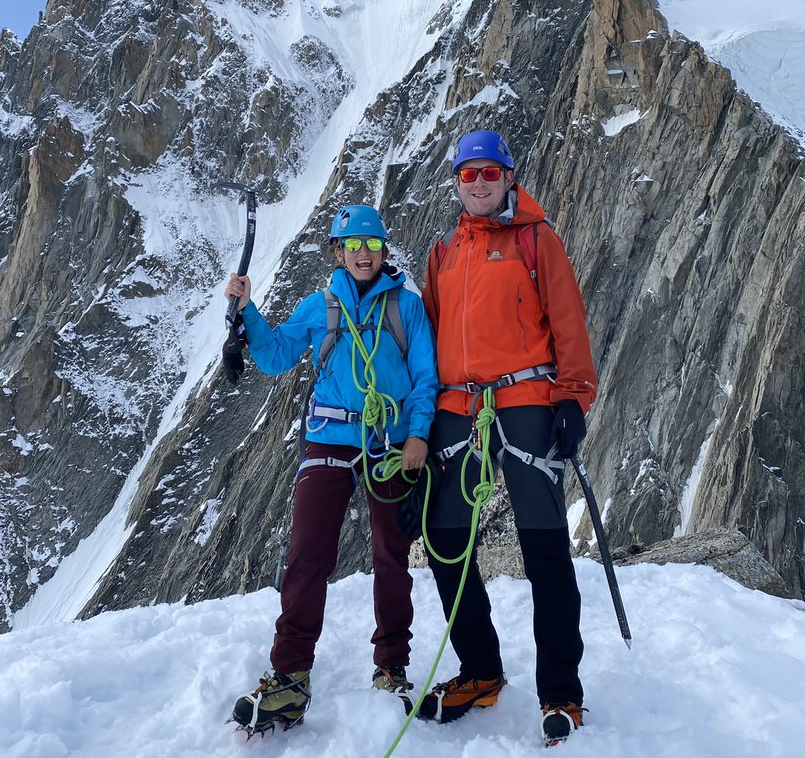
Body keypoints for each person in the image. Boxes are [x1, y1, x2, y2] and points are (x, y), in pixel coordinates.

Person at [227, 205, 438, 735]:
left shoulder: (406, 307)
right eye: (353, 245)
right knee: (306, 555)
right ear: (338, 253)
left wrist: (416, 434)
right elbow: (275, 355)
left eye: (371, 245)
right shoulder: (319, 307)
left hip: (387, 442)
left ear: (384, 252)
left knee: (392, 556)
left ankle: (391, 666)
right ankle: (290, 676)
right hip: (330, 440)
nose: (363, 254)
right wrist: (247, 311)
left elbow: (424, 378)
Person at [417, 130, 598, 745]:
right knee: (445, 540)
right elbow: (431, 338)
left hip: (526, 398)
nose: (479, 183)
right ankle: (480, 670)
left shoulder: (534, 238)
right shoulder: (444, 252)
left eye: (489, 172)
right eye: (469, 175)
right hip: (458, 405)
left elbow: (567, 317)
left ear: (508, 177)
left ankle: (561, 691)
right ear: (458, 184)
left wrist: (572, 397)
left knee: (543, 542)